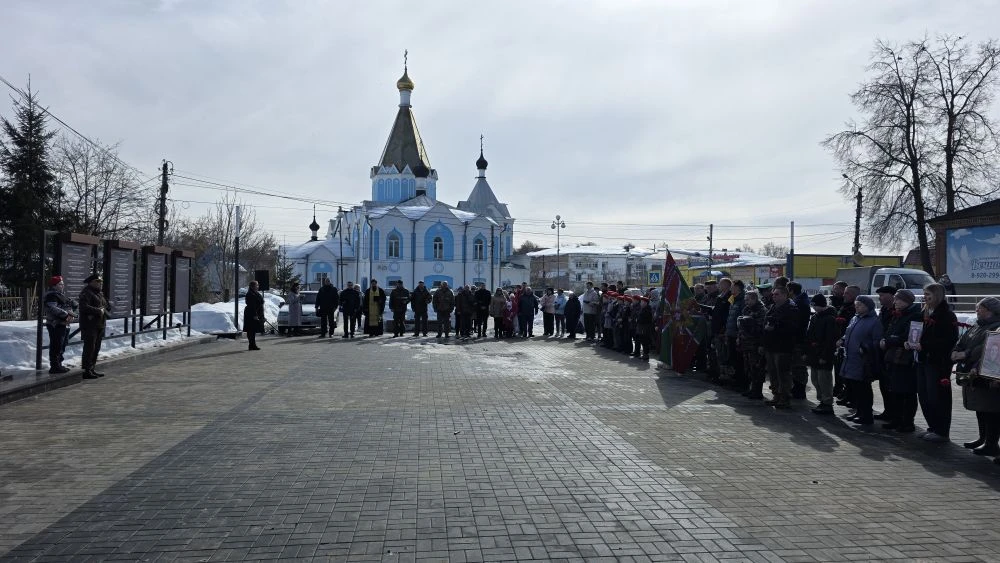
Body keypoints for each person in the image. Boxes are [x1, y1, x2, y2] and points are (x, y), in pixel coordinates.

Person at [908, 283, 959, 442]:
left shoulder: (947, 315)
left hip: (937, 362)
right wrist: (910, 341)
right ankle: (932, 426)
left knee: (937, 396)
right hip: (922, 359)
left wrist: (925, 345)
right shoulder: (923, 312)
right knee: (924, 395)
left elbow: (948, 340)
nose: (925, 297)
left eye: (928, 294)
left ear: (937, 295)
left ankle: (941, 430)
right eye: (924, 294)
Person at [954, 297, 1000, 456]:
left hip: (987, 372)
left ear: (989, 310)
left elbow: (985, 348)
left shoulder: (996, 327)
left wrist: (967, 354)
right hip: (974, 371)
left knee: (990, 409)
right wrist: (956, 350)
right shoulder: (977, 325)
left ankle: (991, 443)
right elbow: (963, 340)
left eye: (980, 307)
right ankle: (983, 438)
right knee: (980, 407)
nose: (976, 310)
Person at [880, 289, 922, 432]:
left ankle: (907, 422)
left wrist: (890, 340)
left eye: (898, 299)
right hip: (894, 357)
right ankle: (896, 418)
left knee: (907, 391)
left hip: (905, 358)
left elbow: (908, 336)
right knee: (895, 390)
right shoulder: (898, 314)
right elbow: (890, 332)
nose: (895, 302)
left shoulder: (915, 315)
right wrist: (888, 338)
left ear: (906, 301)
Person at [839, 295, 883, 425]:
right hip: (850, 358)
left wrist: (865, 348)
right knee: (854, 387)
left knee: (863, 388)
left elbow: (877, 341)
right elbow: (848, 333)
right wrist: (842, 340)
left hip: (863, 360)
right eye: (856, 305)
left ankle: (866, 414)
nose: (857, 307)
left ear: (868, 307)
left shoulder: (874, 321)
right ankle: (859, 411)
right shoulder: (855, 318)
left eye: (860, 305)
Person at [761, 286, 799, 409]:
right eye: (773, 294)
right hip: (771, 345)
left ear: (784, 295)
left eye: (776, 294)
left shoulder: (791, 309)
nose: (774, 296)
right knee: (773, 373)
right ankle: (776, 395)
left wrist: (775, 327)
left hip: (783, 346)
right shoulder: (773, 307)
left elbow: (792, 328)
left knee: (783, 373)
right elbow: (766, 322)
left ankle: (784, 397)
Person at [805, 293, 838, 415]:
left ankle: (827, 402)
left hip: (823, 354)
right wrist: (807, 351)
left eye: (815, 305)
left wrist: (825, 356)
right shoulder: (815, 317)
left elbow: (830, 340)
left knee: (824, 380)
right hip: (814, 353)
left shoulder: (830, 319)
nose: (813, 307)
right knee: (815, 379)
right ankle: (822, 400)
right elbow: (809, 335)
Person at [874, 285, 898, 421]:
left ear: (891, 296)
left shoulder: (896, 311)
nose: (880, 298)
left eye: (882, 295)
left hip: (892, 351)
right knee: (883, 383)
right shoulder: (883, 310)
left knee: (892, 384)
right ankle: (888, 411)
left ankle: (895, 413)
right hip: (881, 351)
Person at [737, 290, 767, 399]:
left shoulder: (762, 310)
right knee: (748, 367)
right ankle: (752, 389)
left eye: (748, 300)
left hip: (756, 343)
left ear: (754, 299)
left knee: (757, 367)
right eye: (745, 300)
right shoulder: (746, 309)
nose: (746, 302)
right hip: (746, 343)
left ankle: (757, 391)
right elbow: (741, 326)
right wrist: (739, 338)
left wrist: (761, 345)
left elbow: (762, 329)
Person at [78, 273, 108, 379]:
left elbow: (103, 305)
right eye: (97, 282)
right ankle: (86, 370)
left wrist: (107, 307)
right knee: (89, 348)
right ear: (91, 282)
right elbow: (83, 307)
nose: (100, 283)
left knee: (96, 348)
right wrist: (98, 311)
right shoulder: (86, 293)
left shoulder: (99, 293)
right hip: (89, 325)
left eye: (101, 282)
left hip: (99, 324)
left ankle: (92, 368)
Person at [43, 275, 75, 373]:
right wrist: (66, 315)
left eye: (62, 284)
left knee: (62, 345)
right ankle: (55, 366)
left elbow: (67, 306)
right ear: (54, 285)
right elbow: (53, 308)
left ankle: (59, 364)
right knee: (56, 345)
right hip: (55, 324)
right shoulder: (51, 295)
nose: (62, 286)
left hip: (64, 323)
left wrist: (72, 314)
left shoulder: (61, 295)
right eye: (60, 284)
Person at [725, 280, 746, 390]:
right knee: (733, 359)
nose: (730, 289)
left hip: (737, 335)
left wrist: (739, 335)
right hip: (730, 333)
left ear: (738, 288)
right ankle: (735, 380)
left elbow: (742, 319)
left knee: (739, 360)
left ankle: (741, 382)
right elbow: (730, 317)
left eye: (732, 287)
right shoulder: (733, 299)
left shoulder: (743, 300)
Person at [243, 280, 264, 351]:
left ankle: (252, 345)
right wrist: (255, 315)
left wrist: (261, 315)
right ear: (252, 286)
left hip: (255, 313)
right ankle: (251, 345)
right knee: (250, 330)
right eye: (256, 285)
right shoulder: (250, 294)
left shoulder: (255, 293)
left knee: (253, 330)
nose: (258, 286)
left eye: (258, 285)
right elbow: (252, 306)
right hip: (250, 314)